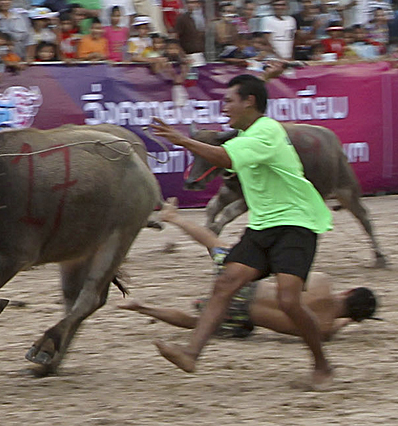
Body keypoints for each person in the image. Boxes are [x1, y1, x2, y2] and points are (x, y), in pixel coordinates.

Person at [149, 74, 334, 387]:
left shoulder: (268, 130)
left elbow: (223, 157)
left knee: (290, 302)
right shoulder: (243, 137)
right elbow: (222, 159)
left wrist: (182, 140)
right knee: (225, 284)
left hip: (296, 223)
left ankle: (322, 367)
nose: (225, 107)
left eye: (229, 101)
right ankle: (191, 354)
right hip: (262, 225)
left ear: (249, 102)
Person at [119, 198, 380, 341]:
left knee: (214, 243)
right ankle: (143, 307)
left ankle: (173, 217)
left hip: (247, 285)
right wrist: (346, 320)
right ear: (354, 318)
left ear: (349, 290)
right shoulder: (323, 329)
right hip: (242, 314)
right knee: (195, 323)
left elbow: (285, 274)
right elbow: (335, 324)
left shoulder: (323, 282)